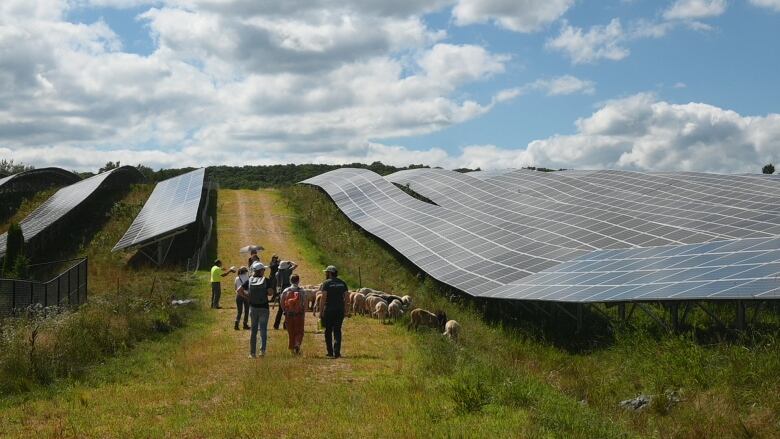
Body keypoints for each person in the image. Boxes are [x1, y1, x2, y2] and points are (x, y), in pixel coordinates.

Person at [241, 262, 272, 358]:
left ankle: (252, 353)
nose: (264, 271)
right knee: (263, 330)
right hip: (264, 308)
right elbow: (270, 293)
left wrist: (247, 297)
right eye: (263, 270)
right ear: (261, 271)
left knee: (253, 331)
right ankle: (262, 351)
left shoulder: (249, 280)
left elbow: (239, 290)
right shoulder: (266, 280)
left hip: (253, 308)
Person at [319, 265, 350, 359]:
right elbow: (347, 298)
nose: (325, 274)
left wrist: (321, 311)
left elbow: (323, 298)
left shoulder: (326, 283)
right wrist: (346, 310)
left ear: (329, 273)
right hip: (339, 310)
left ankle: (330, 352)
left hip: (329, 310)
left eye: (326, 272)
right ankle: (337, 352)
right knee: (337, 330)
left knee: (328, 330)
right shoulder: (343, 283)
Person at [280, 274, 306, 355]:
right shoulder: (301, 291)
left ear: (290, 280)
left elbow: (281, 302)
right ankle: (297, 344)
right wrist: (303, 312)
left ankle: (292, 350)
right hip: (299, 314)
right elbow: (305, 303)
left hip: (289, 315)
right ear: (298, 281)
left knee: (291, 332)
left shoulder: (285, 291)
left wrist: (284, 310)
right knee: (300, 331)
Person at [273, 259, 298, 330]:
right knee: (288, 308)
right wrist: (290, 262)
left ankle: (276, 325)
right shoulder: (288, 271)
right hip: (288, 291)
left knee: (280, 310)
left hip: (280, 291)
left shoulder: (277, 274)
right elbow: (296, 265)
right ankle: (285, 325)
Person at [233, 266, 250, 330]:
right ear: (245, 271)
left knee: (239, 311)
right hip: (246, 295)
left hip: (238, 295)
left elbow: (235, 288)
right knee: (246, 310)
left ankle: (236, 324)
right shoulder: (247, 277)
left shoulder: (237, 278)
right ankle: (245, 324)